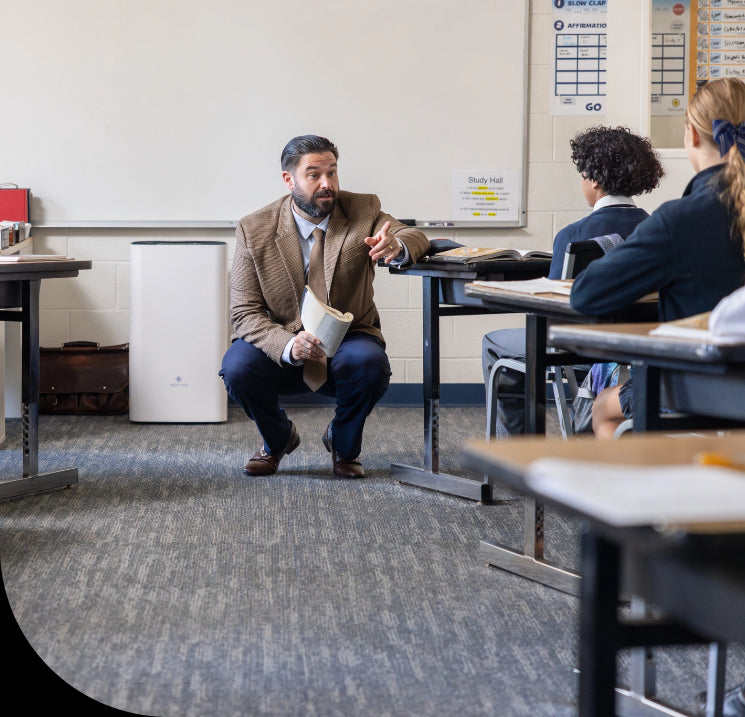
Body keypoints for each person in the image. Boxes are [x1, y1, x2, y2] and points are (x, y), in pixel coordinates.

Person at [219, 134, 430, 478]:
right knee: (238, 367)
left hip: (349, 336)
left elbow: (414, 236)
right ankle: (278, 439)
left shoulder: (363, 209)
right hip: (284, 337)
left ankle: (344, 447)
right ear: (289, 180)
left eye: (332, 172)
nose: (326, 183)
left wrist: (398, 243)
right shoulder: (253, 229)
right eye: (314, 174)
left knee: (370, 364)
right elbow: (244, 313)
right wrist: (287, 344)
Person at [571, 77, 745, 439]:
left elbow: (586, 294)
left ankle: (638, 494)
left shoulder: (680, 219)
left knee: (604, 408)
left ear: (693, 136)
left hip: (705, 386)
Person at [481, 126, 664, 436]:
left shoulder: (573, 236)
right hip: (641, 346)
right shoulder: (659, 229)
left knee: (494, 343)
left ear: (593, 180)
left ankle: (518, 449)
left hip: (580, 348)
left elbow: (550, 313)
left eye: (582, 175)